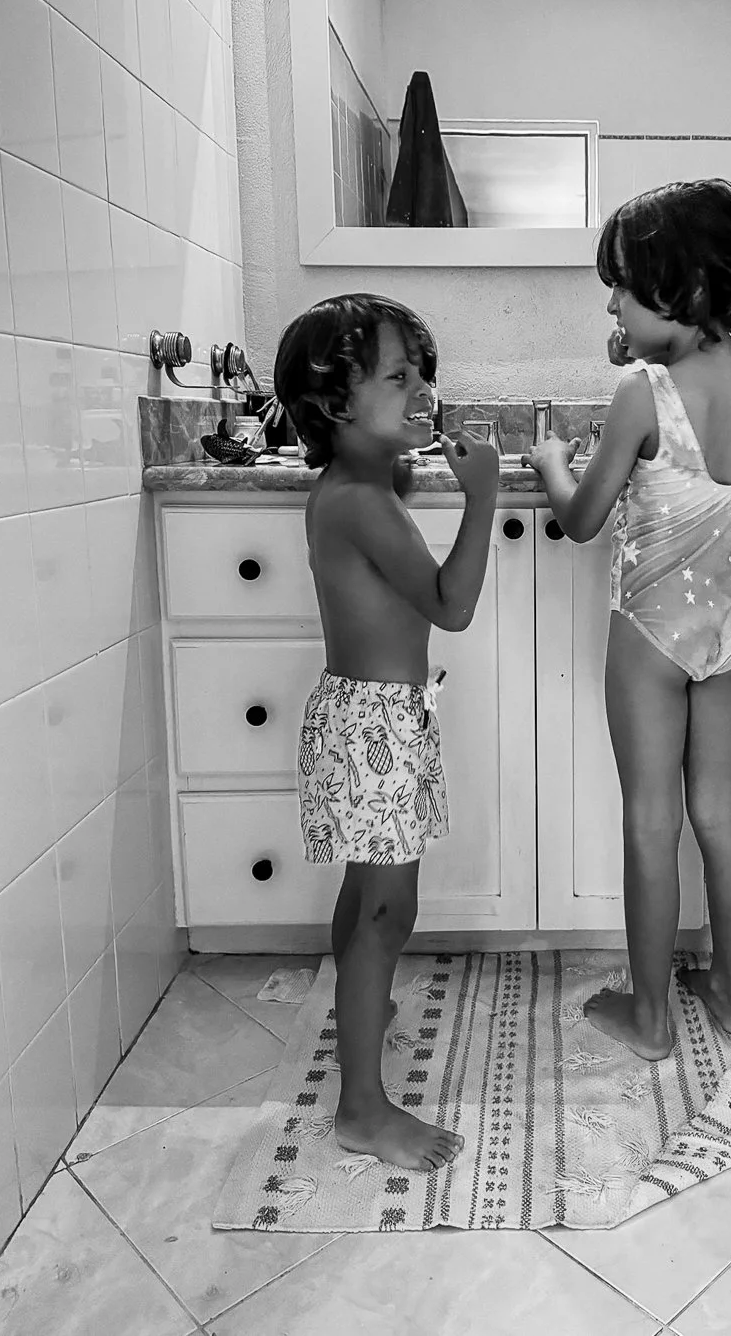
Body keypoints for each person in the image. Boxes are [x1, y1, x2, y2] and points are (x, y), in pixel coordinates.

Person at [523, 180, 731, 1062]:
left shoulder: (642, 392)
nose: (610, 304)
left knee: (650, 819)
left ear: (687, 290)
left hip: (650, 634)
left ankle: (648, 1019)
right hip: (729, 625)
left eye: (625, 290)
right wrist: (645, 342)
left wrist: (551, 460)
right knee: (719, 809)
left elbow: (581, 519)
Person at [273, 294, 499, 1168]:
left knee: (364, 896)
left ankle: (360, 1009)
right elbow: (451, 606)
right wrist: (481, 498)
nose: (424, 391)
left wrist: (405, 442)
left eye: (423, 373)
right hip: (376, 730)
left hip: (368, 718)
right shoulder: (363, 501)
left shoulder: (356, 486)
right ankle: (361, 1110)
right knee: (386, 910)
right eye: (399, 377)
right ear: (334, 405)